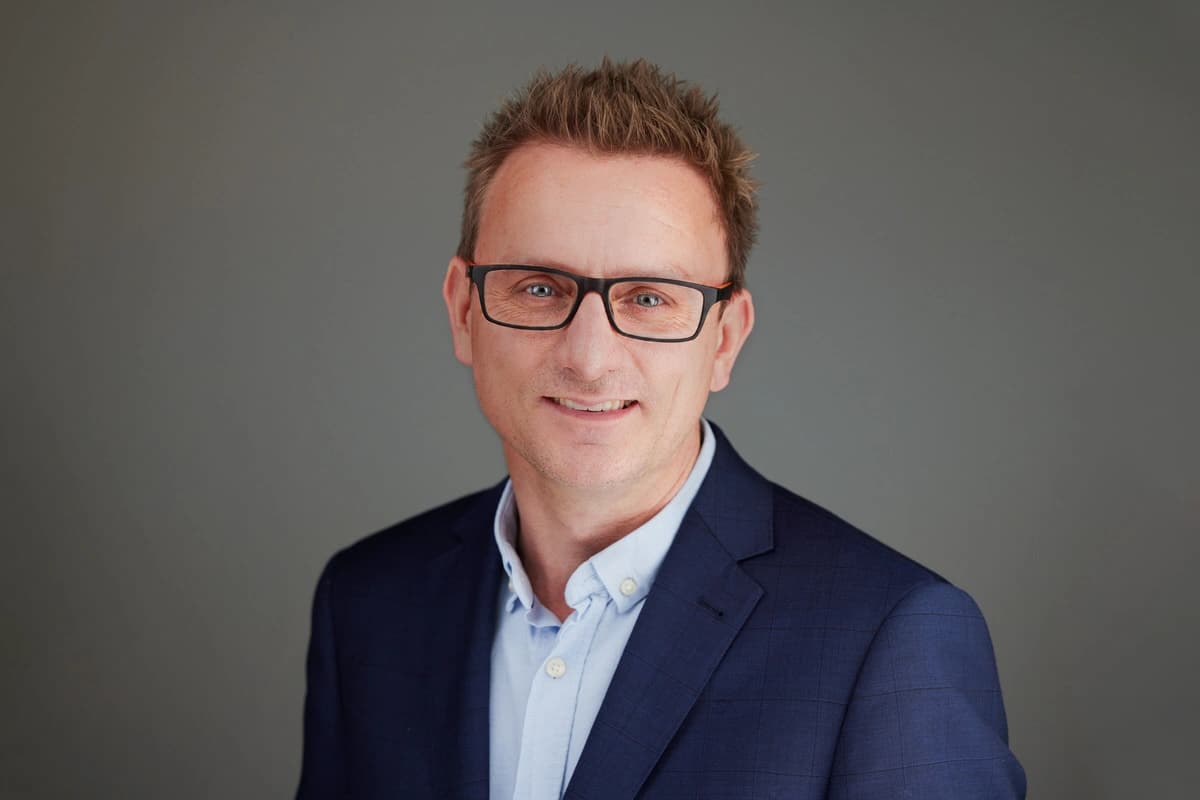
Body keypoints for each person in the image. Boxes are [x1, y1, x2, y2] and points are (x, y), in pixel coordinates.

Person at [296, 59, 1026, 799]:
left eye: (649, 298)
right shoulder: (369, 601)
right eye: (539, 288)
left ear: (725, 339)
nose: (588, 358)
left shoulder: (889, 636)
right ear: (463, 310)